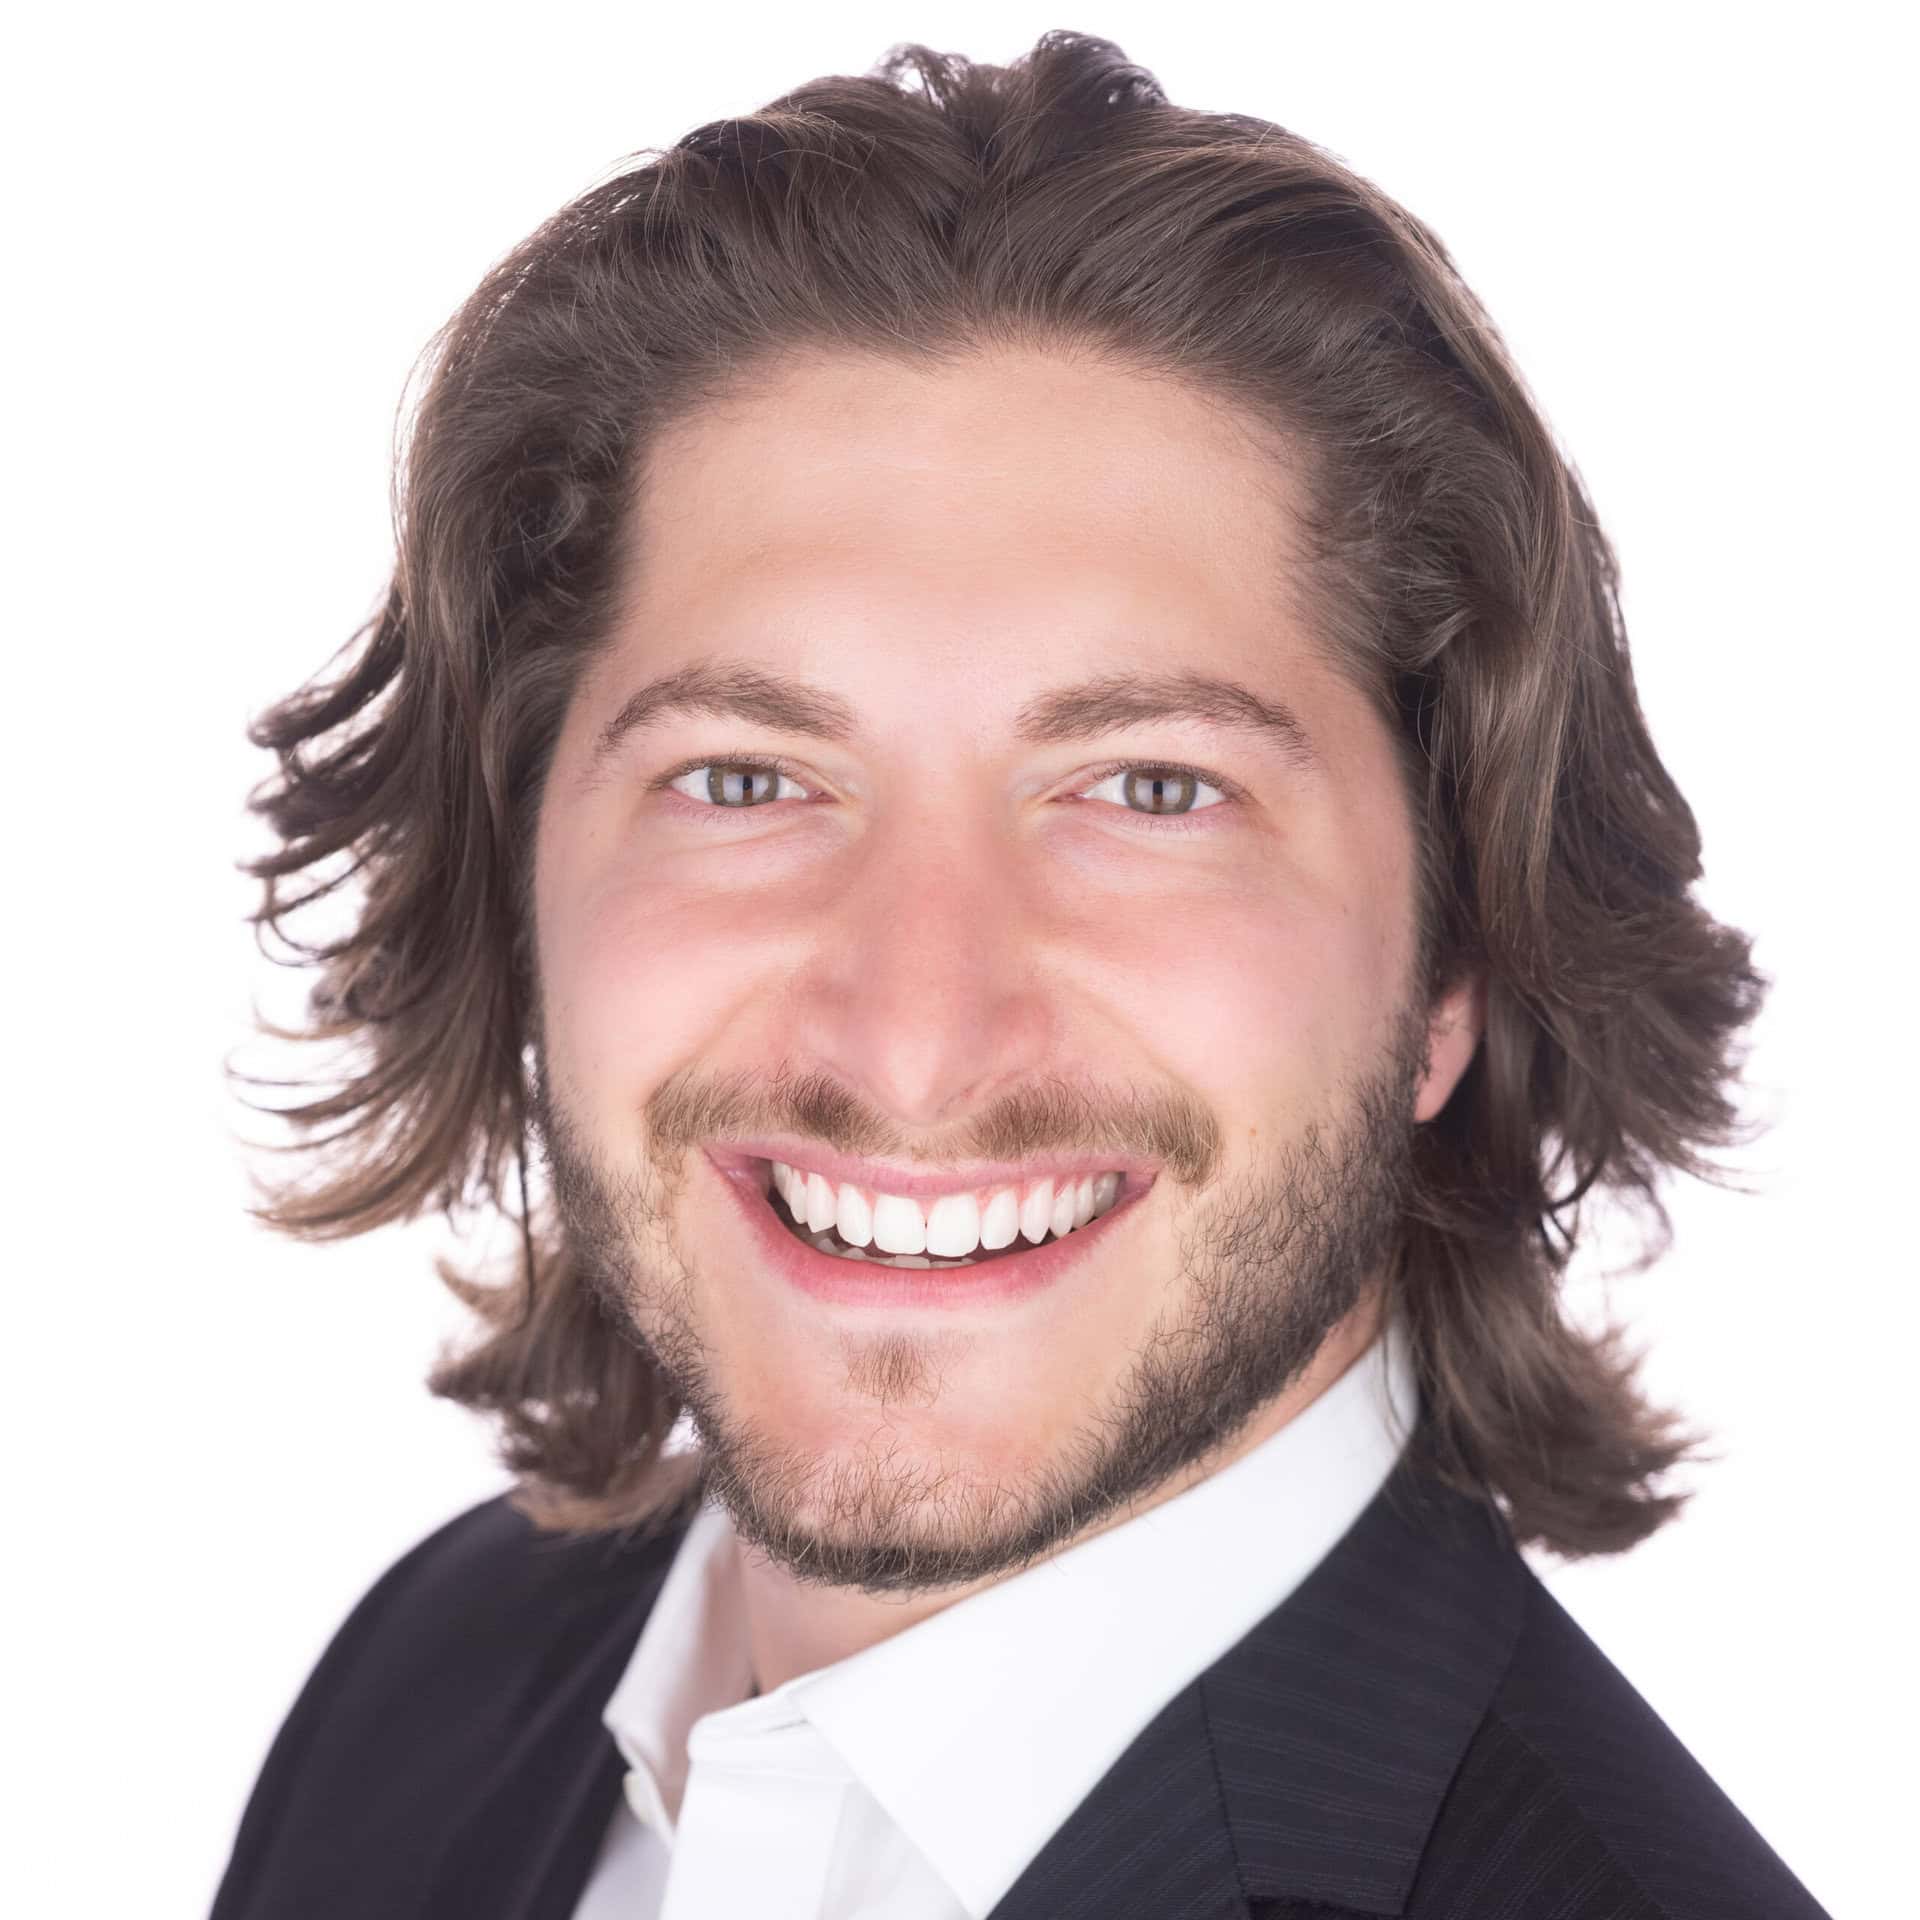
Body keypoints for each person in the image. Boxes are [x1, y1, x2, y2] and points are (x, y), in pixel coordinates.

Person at [210, 29, 1830, 1920]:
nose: (914, 1036)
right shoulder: (435, 1680)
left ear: (1453, 968)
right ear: (523, 886)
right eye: (746, 777)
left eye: (1150, 790)